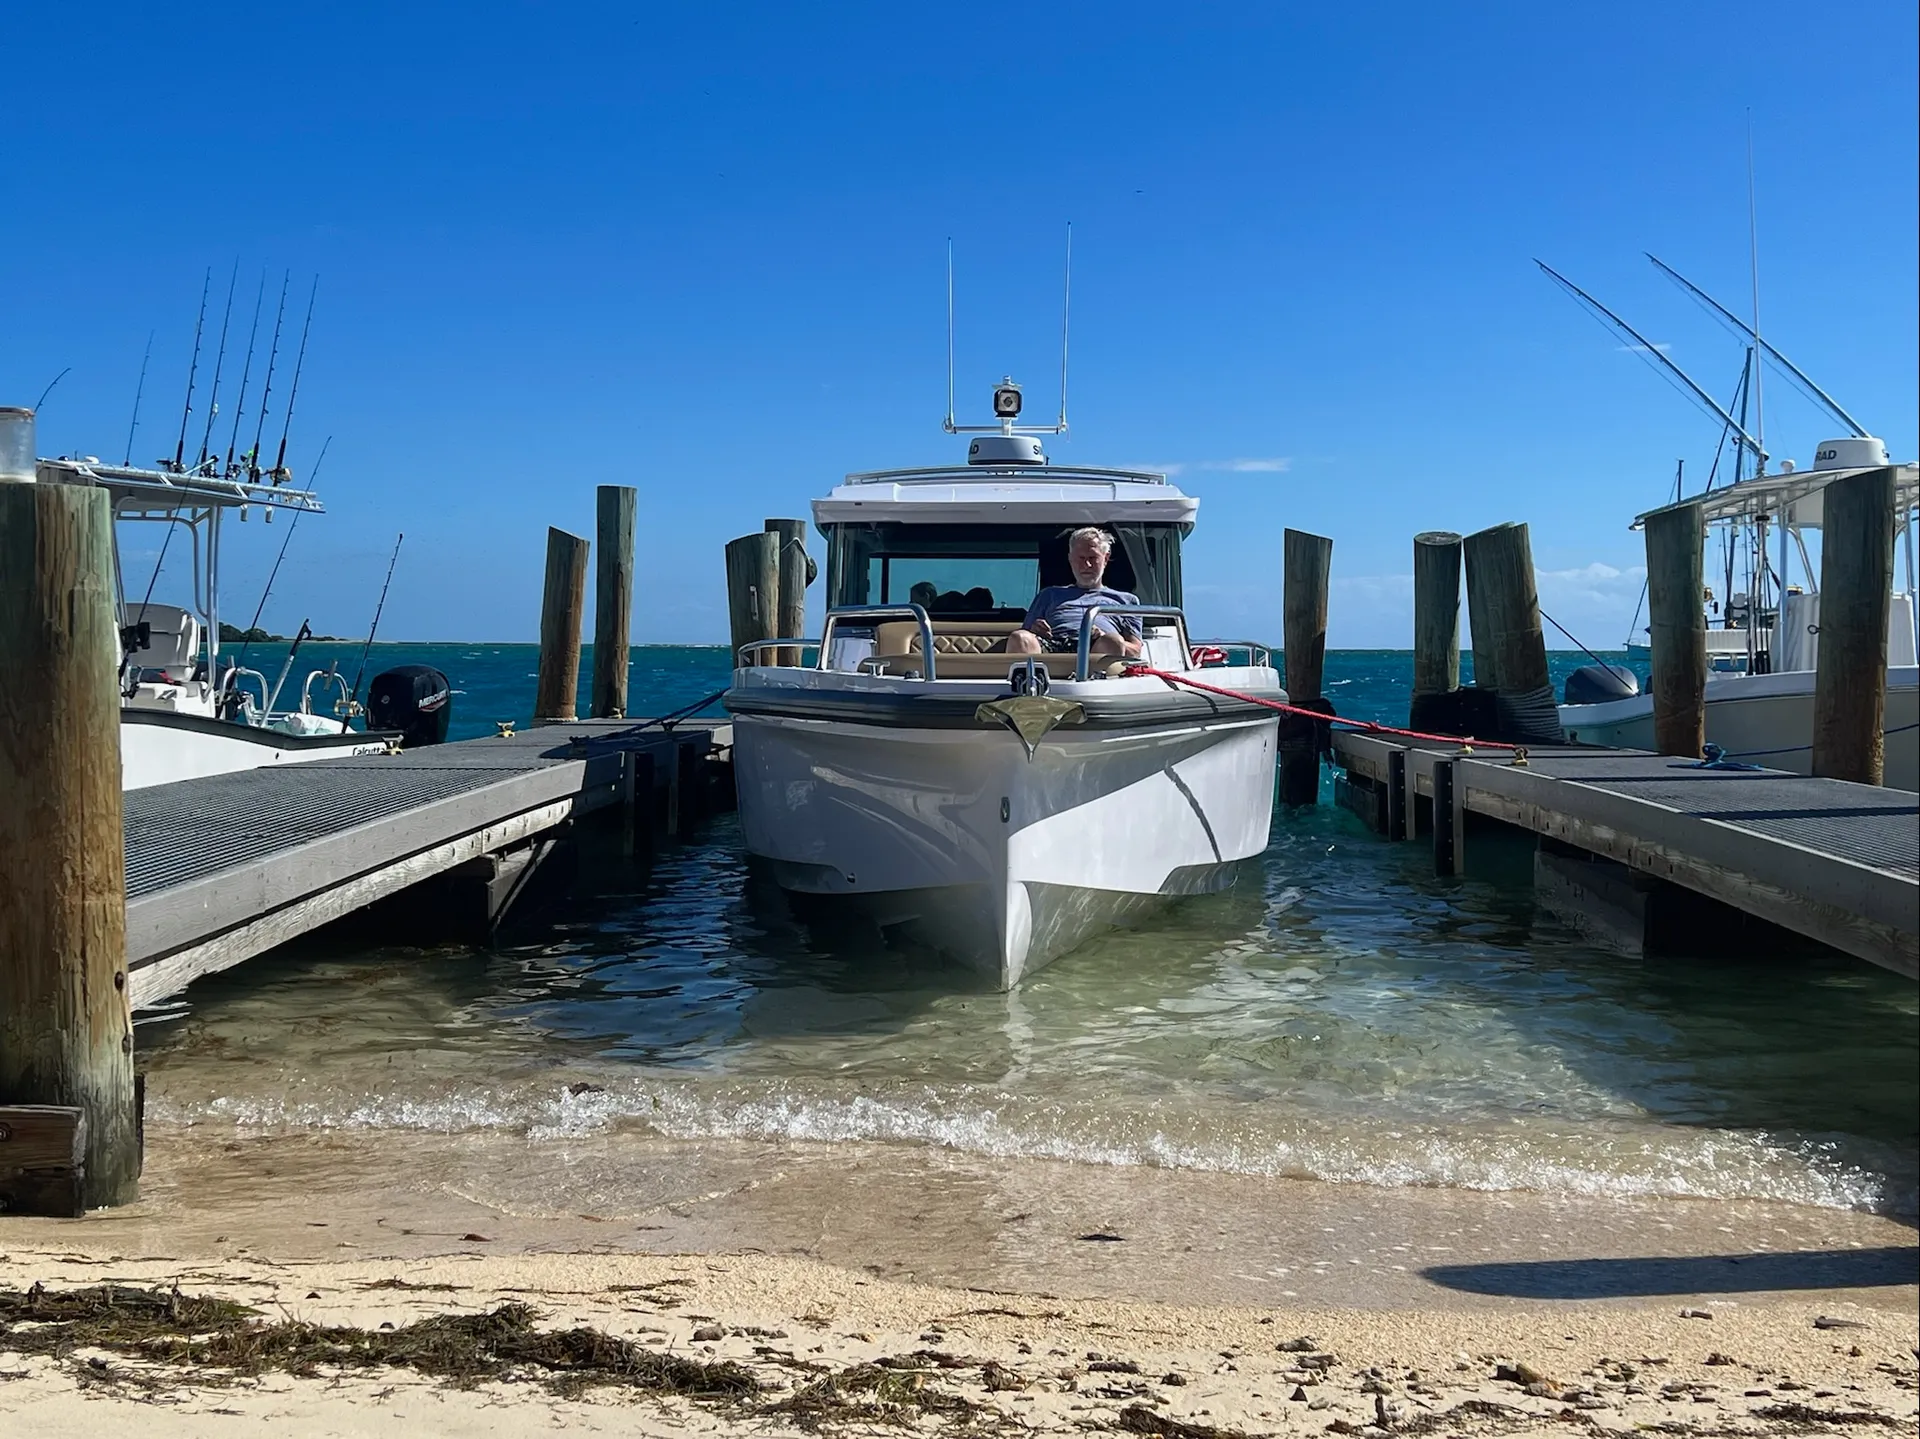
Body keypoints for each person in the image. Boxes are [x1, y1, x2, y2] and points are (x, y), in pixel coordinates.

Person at [1007, 527, 1142, 658]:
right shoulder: (1049, 595)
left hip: (1097, 650)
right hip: (1054, 644)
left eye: (1092, 558)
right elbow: (1027, 633)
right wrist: (1036, 630)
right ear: (1070, 559)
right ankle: (1029, 679)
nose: (1087, 565)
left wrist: (1102, 636)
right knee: (1020, 637)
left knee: (1112, 641)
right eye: (1081, 558)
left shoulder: (1126, 601)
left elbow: (1135, 651)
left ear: (1105, 559)